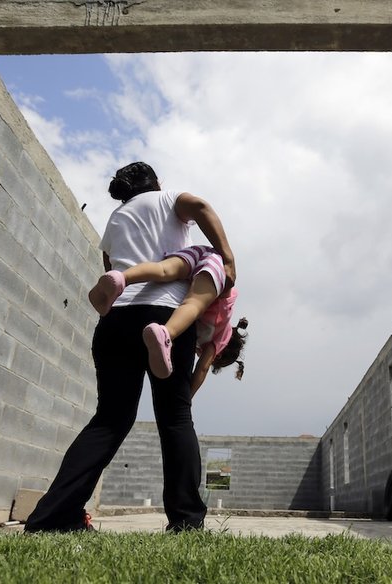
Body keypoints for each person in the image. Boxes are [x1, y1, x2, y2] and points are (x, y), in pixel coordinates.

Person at [24, 161, 235, 533]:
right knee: (175, 418)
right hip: (165, 314)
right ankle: (185, 521)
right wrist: (227, 257)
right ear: (157, 182)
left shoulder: (116, 220)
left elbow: (109, 265)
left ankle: (54, 516)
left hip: (117, 318)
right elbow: (201, 207)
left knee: (109, 419)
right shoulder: (169, 199)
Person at [88, 245, 248, 397]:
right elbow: (202, 369)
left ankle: (122, 278)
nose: (200, 354)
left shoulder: (217, 325)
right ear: (219, 356)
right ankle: (166, 333)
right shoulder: (220, 339)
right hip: (215, 270)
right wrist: (187, 398)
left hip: (201, 253)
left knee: (163, 270)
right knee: (192, 305)